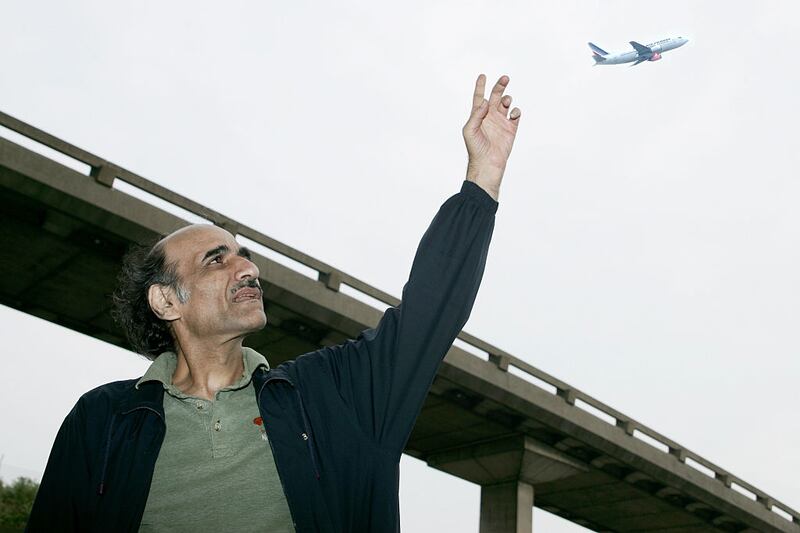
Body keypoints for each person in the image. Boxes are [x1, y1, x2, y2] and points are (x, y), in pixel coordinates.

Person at [26, 74, 522, 532]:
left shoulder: (331, 398)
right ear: (165, 301)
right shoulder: (103, 423)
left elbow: (428, 316)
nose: (247, 269)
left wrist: (482, 180)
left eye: (245, 257)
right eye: (216, 261)